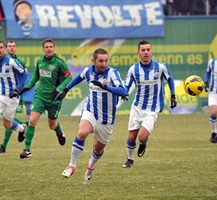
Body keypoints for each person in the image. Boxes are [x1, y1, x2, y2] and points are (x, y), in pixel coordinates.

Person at [57, 48, 126, 181]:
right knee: (82, 133)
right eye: (100, 61)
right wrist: (66, 89)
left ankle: (91, 165)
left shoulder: (112, 73)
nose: (103, 64)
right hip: (91, 112)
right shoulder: (88, 71)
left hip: (107, 119)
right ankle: (71, 165)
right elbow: (79, 77)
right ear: (93, 60)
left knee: (98, 149)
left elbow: (123, 91)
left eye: (106, 61)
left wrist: (106, 87)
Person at [122, 40, 177, 168]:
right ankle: (130, 159)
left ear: (151, 52)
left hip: (152, 109)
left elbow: (170, 79)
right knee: (131, 136)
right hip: (137, 107)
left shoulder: (160, 68)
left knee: (141, 137)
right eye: (143, 50)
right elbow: (127, 86)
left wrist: (173, 95)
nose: (146, 52)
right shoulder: (133, 69)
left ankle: (143, 143)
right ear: (138, 53)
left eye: (148, 50)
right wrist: (123, 94)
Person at [18, 38, 72, 159]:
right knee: (32, 120)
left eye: (51, 47)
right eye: (46, 47)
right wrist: (28, 86)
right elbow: (35, 76)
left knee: (52, 125)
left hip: (54, 98)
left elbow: (69, 78)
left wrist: (59, 89)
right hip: (40, 96)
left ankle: (59, 130)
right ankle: (27, 150)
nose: (49, 49)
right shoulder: (40, 62)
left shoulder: (59, 63)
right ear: (43, 49)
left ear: (54, 48)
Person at [0, 40, 30, 154]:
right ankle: (24, 125)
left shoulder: (19, 62)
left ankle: (4, 145)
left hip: (15, 95)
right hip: (3, 95)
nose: (12, 48)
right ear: (6, 48)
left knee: (9, 119)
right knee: (8, 118)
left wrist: (18, 91)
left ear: (16, 48)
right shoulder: (0, 62)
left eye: (13, 46)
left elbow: (24, 77)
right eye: (9, 46)